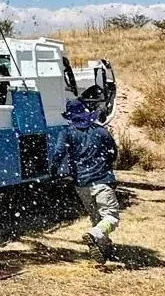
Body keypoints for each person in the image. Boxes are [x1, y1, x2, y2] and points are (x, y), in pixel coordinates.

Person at [51, 98, 120, 263]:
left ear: (70, 117)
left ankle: (105, 249)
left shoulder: (67, 133)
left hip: (81, 184)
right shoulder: (101, 131)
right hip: (102, 180)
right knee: (111, 216)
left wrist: (53, 171)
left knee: (96, 217)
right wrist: (106, 164)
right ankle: (95, 235)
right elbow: (113, 152)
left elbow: (58, 153)